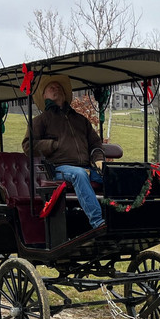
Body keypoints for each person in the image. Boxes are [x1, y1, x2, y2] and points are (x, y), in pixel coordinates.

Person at [22, 74, 106, 233]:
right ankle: (98, 223)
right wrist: (52, 145)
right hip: (57, 169)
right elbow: (27, 146)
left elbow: (95, 144)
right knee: (79, 174)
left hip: (88, 168)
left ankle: (123, 215)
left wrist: (99, 160)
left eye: (58, 87)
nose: (56, 89)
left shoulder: (81, 120)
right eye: (51, 88)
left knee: (112, 175)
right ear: (44, 95)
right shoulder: (41, 120)